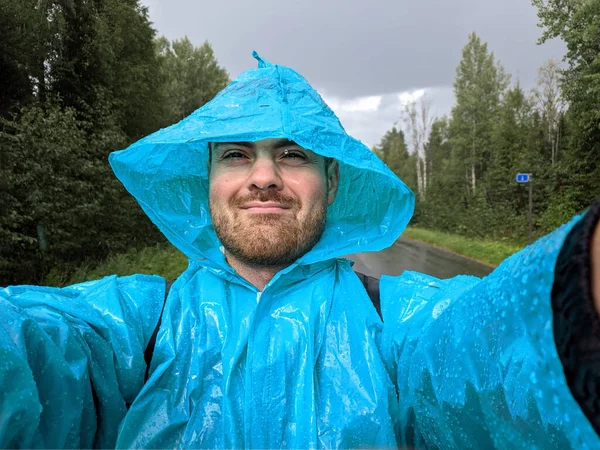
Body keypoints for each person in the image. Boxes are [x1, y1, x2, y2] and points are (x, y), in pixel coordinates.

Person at [1, 51, 600, 449]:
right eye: (236, 154)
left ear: (332, 182)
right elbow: (34, 350)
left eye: (292, 153)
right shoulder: (136, 326)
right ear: (206, 182)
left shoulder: (395, 322)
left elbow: (486, 354)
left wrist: (581, 287)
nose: (262, 177)